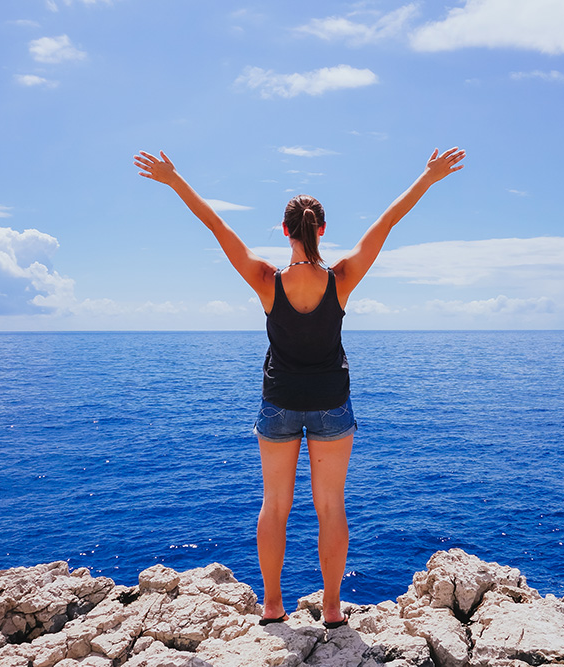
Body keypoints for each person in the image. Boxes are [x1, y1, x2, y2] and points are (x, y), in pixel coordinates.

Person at [133, 146, 465, 628]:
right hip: (332, 404)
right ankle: (331, 609)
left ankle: (272, 606)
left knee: (275, 507)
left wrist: (175, 179)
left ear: (286, 230)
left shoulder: (266, 281)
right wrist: (427, 177)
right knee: (331, 506)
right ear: (321, 229)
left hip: (280, 403)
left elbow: (217, 228)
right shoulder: (343, 278)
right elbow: (387, 222)